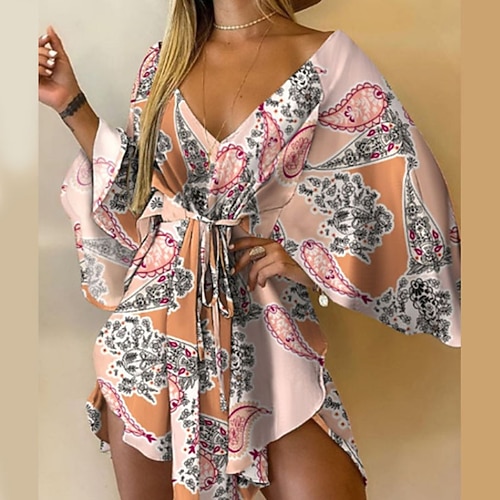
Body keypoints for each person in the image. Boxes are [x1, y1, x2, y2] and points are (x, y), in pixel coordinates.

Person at [38, 0, 461, 499]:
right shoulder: (163, 62)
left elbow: (401, 197)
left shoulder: (326, 58)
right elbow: (139, 200)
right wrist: (71, 103)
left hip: (267, 327)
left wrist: (307, 260)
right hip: (151, 337)